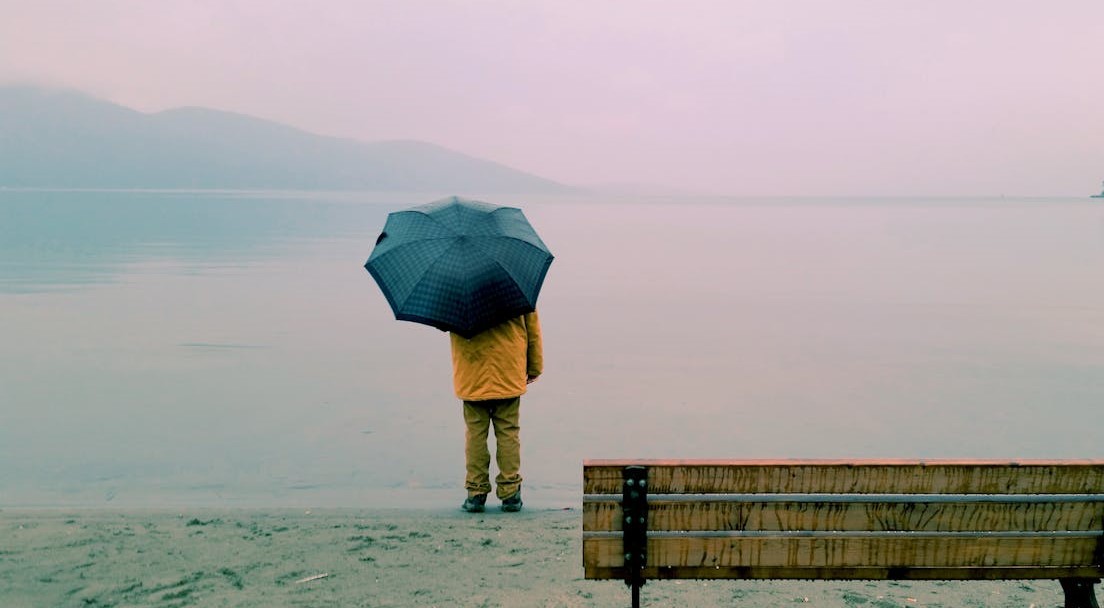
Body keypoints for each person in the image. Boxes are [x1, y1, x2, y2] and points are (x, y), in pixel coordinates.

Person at [450, 310, 543, 513]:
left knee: (475, 434)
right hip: (507, 369)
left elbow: (447, 324)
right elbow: (533, 330)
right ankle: (510, 493)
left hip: (471, 372)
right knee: (508, 432)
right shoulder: (515, 287)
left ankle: (476, 493)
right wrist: (535, 366)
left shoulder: (457, 294)